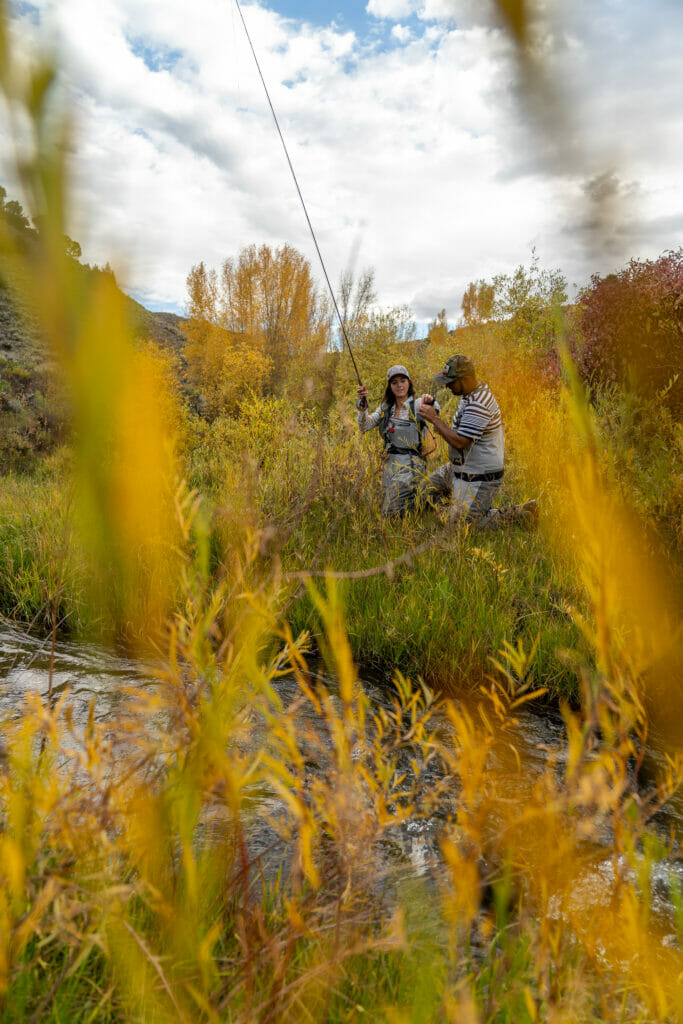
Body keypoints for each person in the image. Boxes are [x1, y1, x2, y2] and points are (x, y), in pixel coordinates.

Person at [418, 354, 537, 527]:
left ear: (465, 379)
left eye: (451, 381)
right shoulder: (469, 395)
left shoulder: (479, 402)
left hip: (480, 476)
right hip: (459, 469)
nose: (448, 386)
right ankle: (458, 511)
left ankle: (520, 516)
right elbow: (459, 428)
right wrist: (433, 407)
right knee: (424, 490)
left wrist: (435, 420)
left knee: (461, 527)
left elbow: (460, 442)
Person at [357, 365, 439, 516]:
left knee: (390, 511)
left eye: (403, 381)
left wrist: (431, 400)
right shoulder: (385, 408)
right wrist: (362, 407)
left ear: (409, 383)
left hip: (411, 464)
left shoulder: (418, 404)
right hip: (389, 465)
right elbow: (365, 426)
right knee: (394, 508)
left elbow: (435, 411)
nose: (399, 385)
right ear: (390, 387)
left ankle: (431, 504)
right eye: (394, 382)